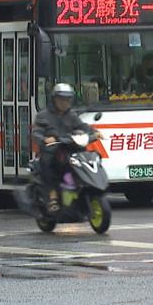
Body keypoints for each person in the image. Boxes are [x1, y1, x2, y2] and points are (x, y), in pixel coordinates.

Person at [32, 83, 102, 212]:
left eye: (68, 99)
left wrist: (94, 132)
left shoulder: (72, 115)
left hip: (71, 149)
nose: (65, 102)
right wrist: (45, 139)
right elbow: (37, 132)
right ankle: (52, 197)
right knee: (49, 166)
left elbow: (82, 127)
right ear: (54, 99)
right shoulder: (43, 115)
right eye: (62, 99)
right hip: (52, 152)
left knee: (87, 158)